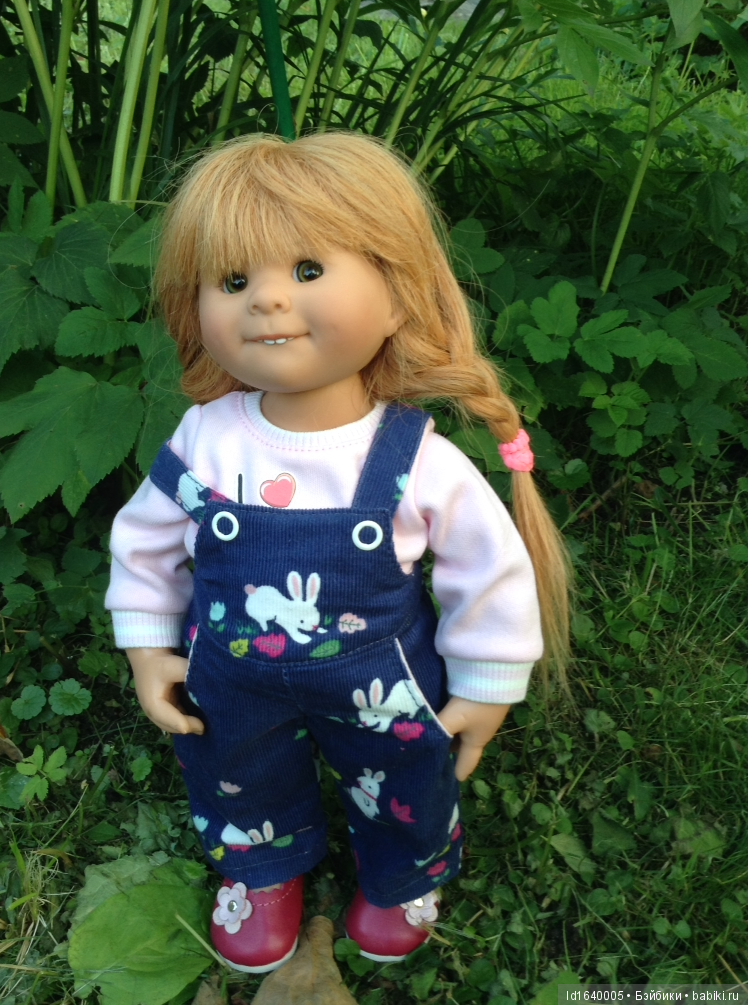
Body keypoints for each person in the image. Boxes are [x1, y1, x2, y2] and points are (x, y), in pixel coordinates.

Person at [106, 131, 570, 974]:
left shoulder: (414, 456)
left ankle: (400, 875)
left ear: (397, 297)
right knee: (233, 768)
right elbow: (145, 540)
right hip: (232, 679)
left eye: (308, 270)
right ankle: (261, 868)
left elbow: (487, 572)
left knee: (405, 773)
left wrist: (487, 682)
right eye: (233, 281)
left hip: (379, 680)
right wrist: (147, 646)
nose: (267, 301)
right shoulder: (205, 438)